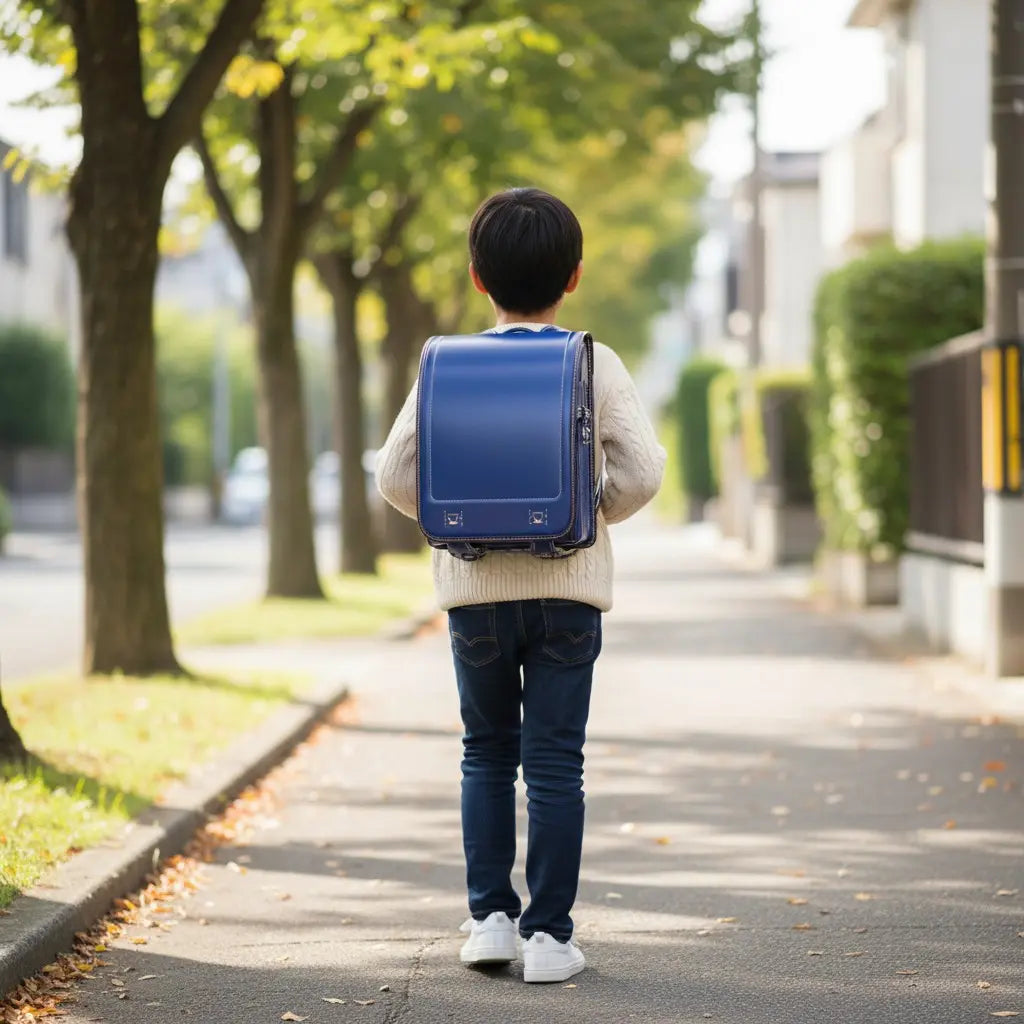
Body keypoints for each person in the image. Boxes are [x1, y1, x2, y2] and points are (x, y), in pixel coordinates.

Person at [374, 187, 665, 983]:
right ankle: (549, 938)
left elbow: (395, 472)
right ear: (573, 277)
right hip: (569, 589)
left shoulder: (446, 361)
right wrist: (585, 513)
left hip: (474, 595)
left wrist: (458, 522)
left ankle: (489, 922)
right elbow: (643, 472)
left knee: (485, 754)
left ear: (477, 278)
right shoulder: (592, 361)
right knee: (555, 762)